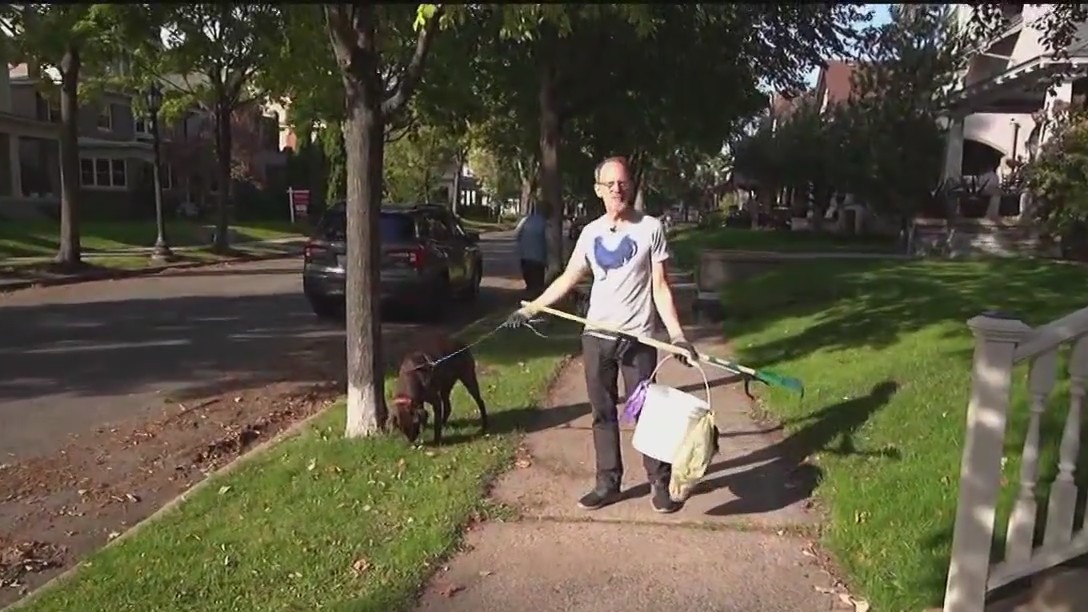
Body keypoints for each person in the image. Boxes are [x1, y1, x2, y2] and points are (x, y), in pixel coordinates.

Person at [503, 156, 698, 514]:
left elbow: (660, 286)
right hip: (596, 337)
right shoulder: (590, 233)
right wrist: (532, 307)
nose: (617, 189)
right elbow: (568, 278)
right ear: (599, 191)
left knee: (646, 413)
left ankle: (660, 483)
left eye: (622, 182)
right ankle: (608, 483)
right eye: (610, 184)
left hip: (638, 339)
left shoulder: (651, 228)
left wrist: (677, 335)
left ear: (631, 186)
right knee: (602, 413)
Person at [514, 202, 548, 298]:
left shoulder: (526, 220)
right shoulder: (545, 223)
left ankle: (528, 302)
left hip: (525, 257)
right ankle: (534, 304)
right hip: (538, 259)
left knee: (529, 282)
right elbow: (549, 242)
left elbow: (517, 235)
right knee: (537, 285)